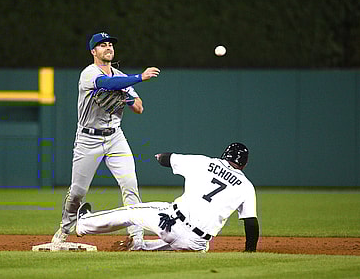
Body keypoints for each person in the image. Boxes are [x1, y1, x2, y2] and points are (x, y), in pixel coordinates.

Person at [51, 32, 161, 250]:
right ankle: (64, 231)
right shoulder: (88, 74)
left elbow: (139, 108)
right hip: (87, 139)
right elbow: (105, 83)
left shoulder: (120, 76)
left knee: (130, 185)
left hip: (115, 137)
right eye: (102, 45)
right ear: (94, 51)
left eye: (110, 44)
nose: (108, 47)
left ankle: (136, 237)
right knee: (77, 192)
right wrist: (139, 77)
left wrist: (126, 96)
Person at [75, 142, 259, 252]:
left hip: (171, 223)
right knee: (199, 243)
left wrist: (159, 156)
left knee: (131, 212)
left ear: (224, 155)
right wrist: (249, 252)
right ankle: (140, 247)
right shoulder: (246, 186)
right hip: (197, 243)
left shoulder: (205, 162)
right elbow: (251, 223)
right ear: (244, 164)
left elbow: (166, 158)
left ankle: (83, 224)